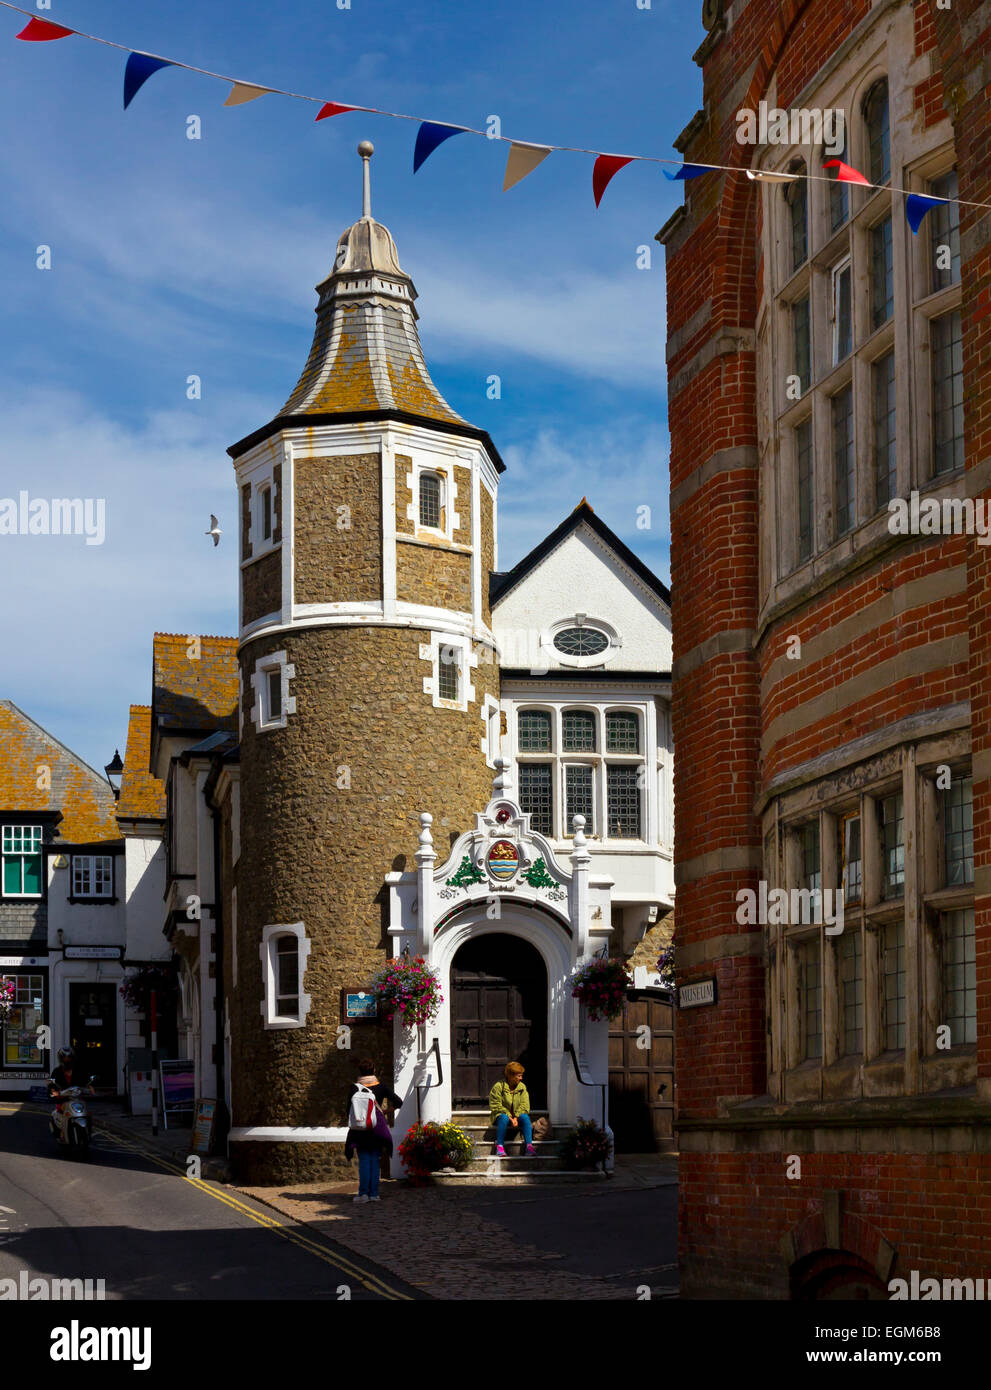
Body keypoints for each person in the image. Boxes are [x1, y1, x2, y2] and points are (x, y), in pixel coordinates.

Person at [344, 1058, 403, 1204]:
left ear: (360, 1072)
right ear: (374, 1070)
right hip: (376, 1127)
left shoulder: (354, 1088)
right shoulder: (381, 1087)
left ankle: (363, 1194)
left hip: (360, 1129)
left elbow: (348, 1110)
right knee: (375, 1160)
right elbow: (398, 1102)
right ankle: (374, 1194)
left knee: (364, 1160)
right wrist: (385, 1111)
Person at [488, 1061, 534, 1157]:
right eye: (519, 1076)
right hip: (501, 1117)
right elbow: (496, 1105)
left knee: (525, 1117)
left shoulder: (522, 1087)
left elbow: (525, 1105)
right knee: (503, 1118)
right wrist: (510, 1117)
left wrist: (516, 1117)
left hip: (517, 1118)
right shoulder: (498, 1087)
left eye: (521, 1075)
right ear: (511, 1076)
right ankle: (499, 1147)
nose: (521, 1078)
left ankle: (529, 1147)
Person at [48, 1047, 93, 1136]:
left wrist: (90, 1087)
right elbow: (51, 1084)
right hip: (63, 1099)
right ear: (61, 1059)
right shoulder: (57, 1071)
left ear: (72, 1058)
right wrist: (53, 1091)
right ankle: (62, 1133)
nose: (67, 1059)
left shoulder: (79, 1070)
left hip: (77, 1099)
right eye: (64, 1057)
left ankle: (88, 1133)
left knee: (87, 1113)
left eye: (69, 1057)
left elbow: (86, 1081)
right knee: (64, 1113)